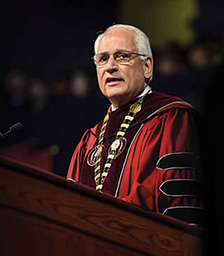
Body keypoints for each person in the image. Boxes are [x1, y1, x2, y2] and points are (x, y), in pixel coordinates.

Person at [67, 24, 204, 225]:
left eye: (122, 56)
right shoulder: (90, 139)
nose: (110, 66)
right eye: (103, 59)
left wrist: (106, 222)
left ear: (147, 66)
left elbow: (177, 202)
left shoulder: (172, 118)